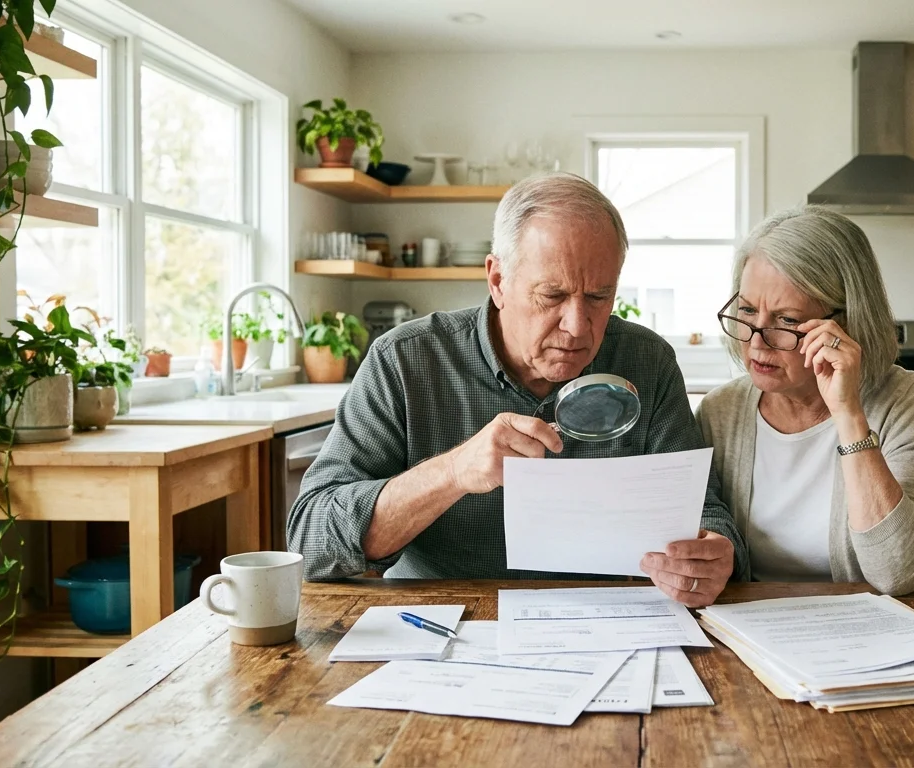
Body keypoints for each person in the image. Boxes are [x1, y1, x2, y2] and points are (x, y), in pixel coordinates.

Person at [289, 172, 748, 606]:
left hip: (604, 623)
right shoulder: (406, 361)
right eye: (551, 296)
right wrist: (452, 473)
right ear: (497, 281)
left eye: (598, 297)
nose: (577, 326)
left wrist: (712, 554)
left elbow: (703, 513)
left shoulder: (647, 363)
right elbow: (310, 540)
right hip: (441, 624)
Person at [695, 205, 914, 595]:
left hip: (896, 625)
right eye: (747, 310)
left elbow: (898, 574)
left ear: (845, 324)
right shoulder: (720, 412)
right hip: (765, 630)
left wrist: (848, 413)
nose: (757, 342)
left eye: (787, 321)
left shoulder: (909, 402)